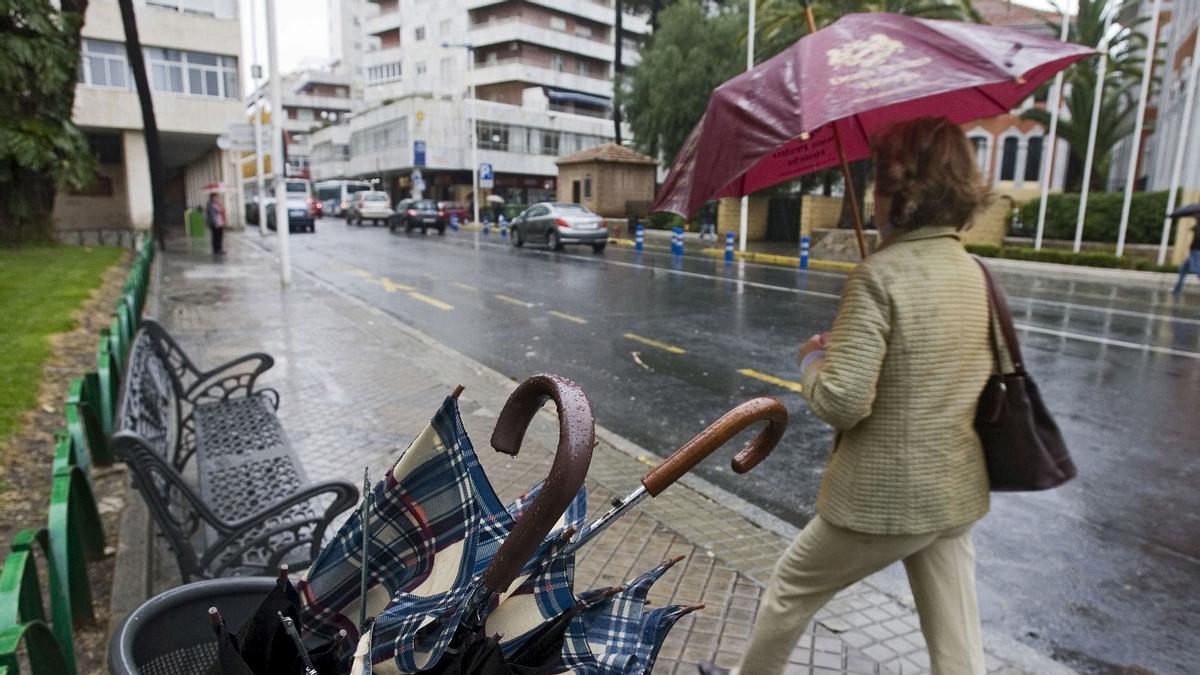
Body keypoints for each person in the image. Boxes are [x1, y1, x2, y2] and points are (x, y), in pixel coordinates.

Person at [700, 117, 993, 675]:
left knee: (789, 589)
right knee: (957, 640)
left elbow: (841, 401)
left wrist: (814, 357)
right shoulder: (975, 271)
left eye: (878, 181)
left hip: (884, 496)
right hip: (954, 489)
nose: (872, 194)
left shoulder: (879, 277)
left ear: (898, 191)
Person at [1172, 217, 1200, 295]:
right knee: (1183, 269)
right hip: (1193, 251)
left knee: (1197, 270)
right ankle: (1177, 290)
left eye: (1197, 216)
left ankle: (1177, 289)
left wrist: (1195, 229)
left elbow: (1197, 238)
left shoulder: (1198, 226)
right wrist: (1194, 228)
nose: (1195, 217)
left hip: (1196, 251)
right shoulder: (1197, 225)